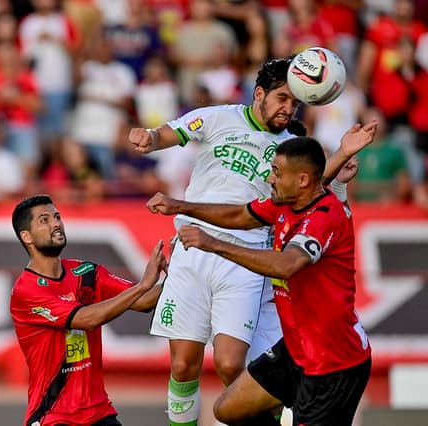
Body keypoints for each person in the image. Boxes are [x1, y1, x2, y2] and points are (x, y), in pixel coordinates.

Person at [128, 55, 373, 425]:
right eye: (282, 99)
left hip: (249, 252)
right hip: (194, 246)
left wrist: (340, 156)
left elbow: (311, 184)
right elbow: (173, 133)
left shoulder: (295, 147)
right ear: (259, 94)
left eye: (295, 102)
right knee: (182, 364)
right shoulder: (219, 117)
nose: (288, 108)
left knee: (230, 364)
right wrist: (149, 138)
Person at [10, 194, 167, 426]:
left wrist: (182, 276)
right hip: (53, 416)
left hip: (99, 412)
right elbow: (86, 319)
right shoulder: (27, 291)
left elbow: (144, 302)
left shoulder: (86, 272)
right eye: (44, 220)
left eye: (57, 217)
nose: (55, 223)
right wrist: (144, 284)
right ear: (26, 236)